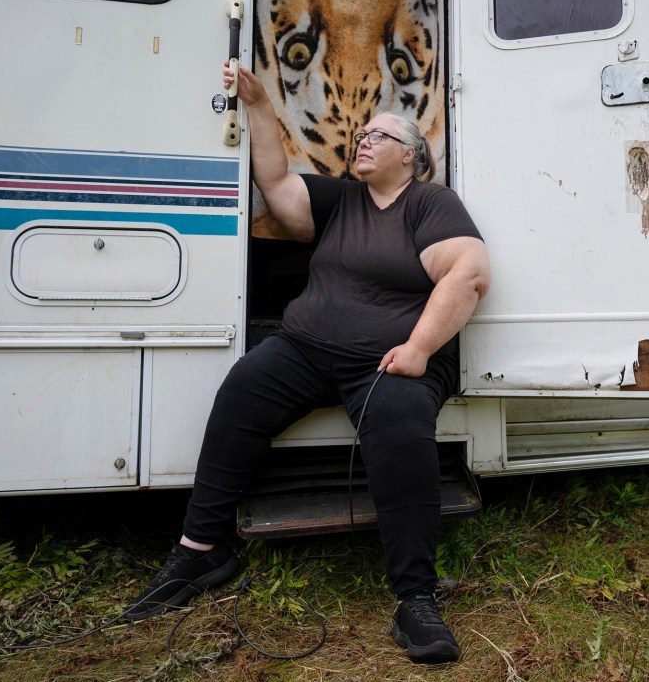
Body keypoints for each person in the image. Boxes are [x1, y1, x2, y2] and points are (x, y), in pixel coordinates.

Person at [125, 62, 490, 664]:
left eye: (378, 136)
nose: (363, 141)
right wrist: (260, 105)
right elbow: (274, 179)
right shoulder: (340, 200)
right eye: (361, 135)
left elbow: (468, 274)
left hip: (391, 359)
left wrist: (419, 350)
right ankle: (199, 552)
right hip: (307, 346)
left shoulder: (431, 203)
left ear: (411, 155)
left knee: (401, 426)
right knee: (242, 389)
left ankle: (416, 598)